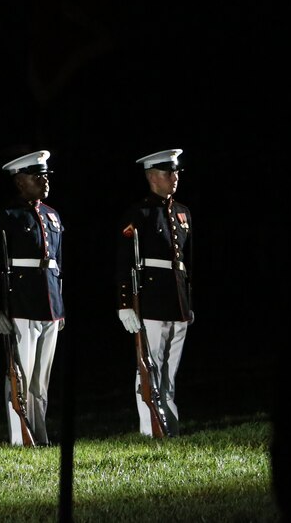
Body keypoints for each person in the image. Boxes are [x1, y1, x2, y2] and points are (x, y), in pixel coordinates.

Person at [0, 149, 65, 447]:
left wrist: (60, 305)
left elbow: (58, 264)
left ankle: (39, 434)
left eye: (45, 175)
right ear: (20, 182)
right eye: (36, 176)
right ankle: (20, 436)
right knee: (20, 374)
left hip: (49, 304)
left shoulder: (52, 216)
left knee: (40, 380)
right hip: (21, 303)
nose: (44, 180)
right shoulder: (7, 216)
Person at [116, 148, 192, 437]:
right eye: (167, 172)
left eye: (175, 172)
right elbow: (125, 260)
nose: (174, 177)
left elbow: (187, 262)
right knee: (151, 367)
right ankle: (151, 429)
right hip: (153, 300)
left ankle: (169, 426)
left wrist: (189, 301)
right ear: (151, 177)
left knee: (170, 371)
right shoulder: (140, 213)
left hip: (177, 300)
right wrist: (125, 303)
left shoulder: (183, 212)